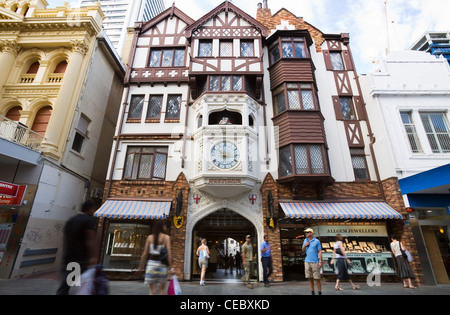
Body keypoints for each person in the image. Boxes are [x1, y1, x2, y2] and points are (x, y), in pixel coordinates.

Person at [56, 200, 97, 295]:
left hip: (70, 257)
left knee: (66, 285)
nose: (93, 211)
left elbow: (65, 240)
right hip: (81, 259)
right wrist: (93, 257)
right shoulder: (88, 220)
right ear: (89, 209)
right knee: (86, 285)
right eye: (93, 209)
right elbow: (89, 238)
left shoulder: (71, 220)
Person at [137, 220, 174, 295]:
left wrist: (140, 267)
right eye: (165, 226)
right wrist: (171, 268)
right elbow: (169, 254)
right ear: (162, 226)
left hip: (151, 265)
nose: (166, 227)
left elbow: (144, 253)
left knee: (152, 291)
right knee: (162, 290)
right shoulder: (166, 238)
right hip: (162, 266)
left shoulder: (150, 237)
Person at [302, 228, 323, 295]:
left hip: (315, 261)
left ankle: (319, 292)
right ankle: (312, 292)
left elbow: (319, 251)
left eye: (308, 232)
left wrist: (320, 261)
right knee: (309, 278)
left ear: (311, 233)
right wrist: (305, 245)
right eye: (306, 232)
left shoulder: (316, 241)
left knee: (317, 278)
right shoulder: (305, 240)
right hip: (307, 261)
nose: (306, 233)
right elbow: (303, 250)